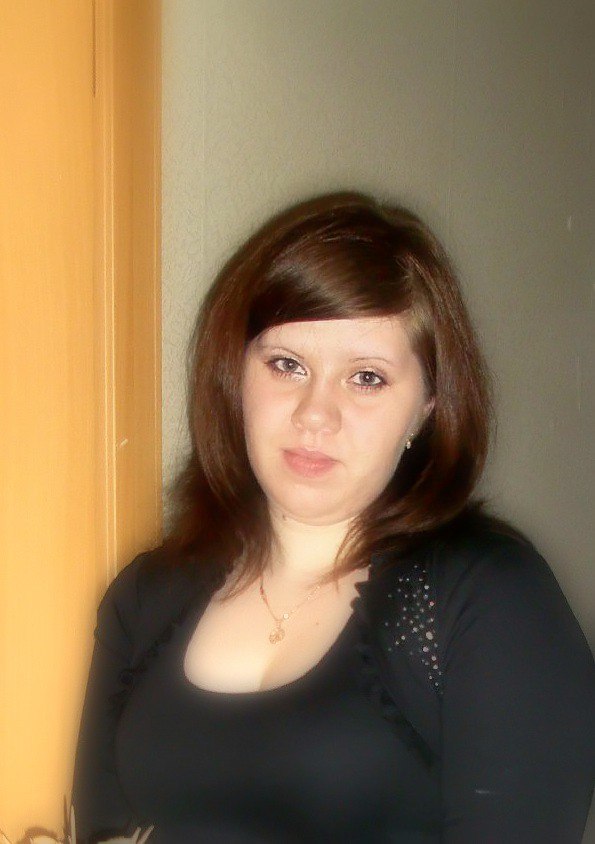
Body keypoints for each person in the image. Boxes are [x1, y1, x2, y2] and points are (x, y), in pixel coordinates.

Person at [71, 192, 595, 843]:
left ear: (427, 406)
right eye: (286, 365)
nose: (315, 414)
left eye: (366, 378)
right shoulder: (144, 597)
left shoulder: (485, 595)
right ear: (234, 377)